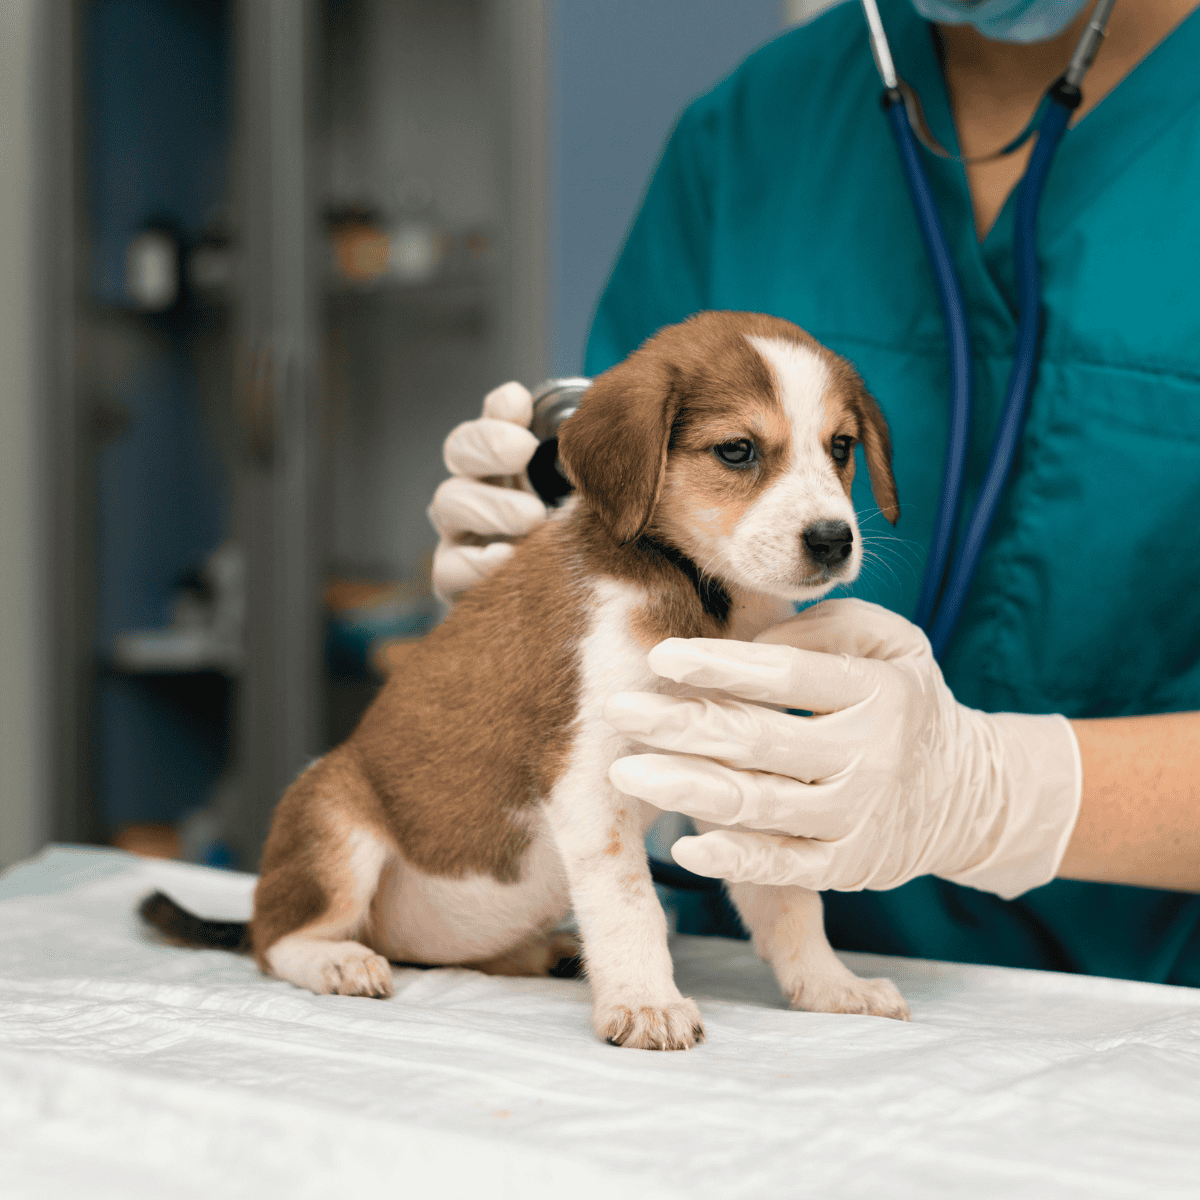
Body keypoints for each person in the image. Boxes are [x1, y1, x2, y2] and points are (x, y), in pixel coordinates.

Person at [428, 0, 1200, 986]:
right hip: (751, 989)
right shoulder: (756, 129)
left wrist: (1008, 795)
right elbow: (635, 532)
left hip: (1156, 1026)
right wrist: (538, 591)